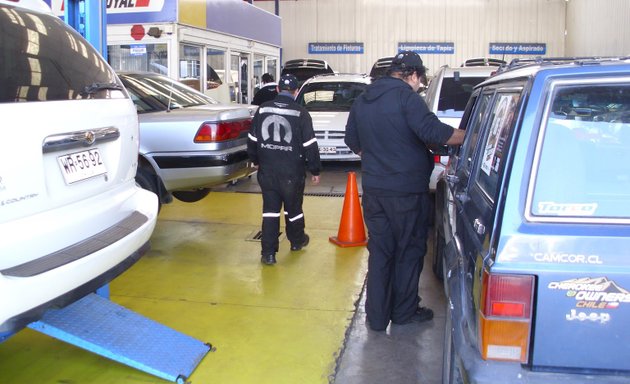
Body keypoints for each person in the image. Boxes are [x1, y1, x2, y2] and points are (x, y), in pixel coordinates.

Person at [344, 51, 465, 331]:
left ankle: (375, 318)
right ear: (412, 75)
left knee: (381, 252)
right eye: (420, 80)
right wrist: (472, 135)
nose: (419, 85)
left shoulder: (363, 100)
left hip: (375, 191)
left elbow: (352, 139)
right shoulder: (407, 98)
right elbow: (436, 133)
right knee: (409, 251)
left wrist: (378, 157)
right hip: (406, 193)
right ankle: (403, 311)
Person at [247, 73, 322, 265]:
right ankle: (297, 241)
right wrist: (315, 170)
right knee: (293, 209)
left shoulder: (262, 109)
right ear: (296, 92)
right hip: (292, 173)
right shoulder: (301, 113)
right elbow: (310, 145)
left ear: (278, 90)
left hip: (268, 171)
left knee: (270, 212)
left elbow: (253, 140)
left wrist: (255, 160)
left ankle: (268, 253)